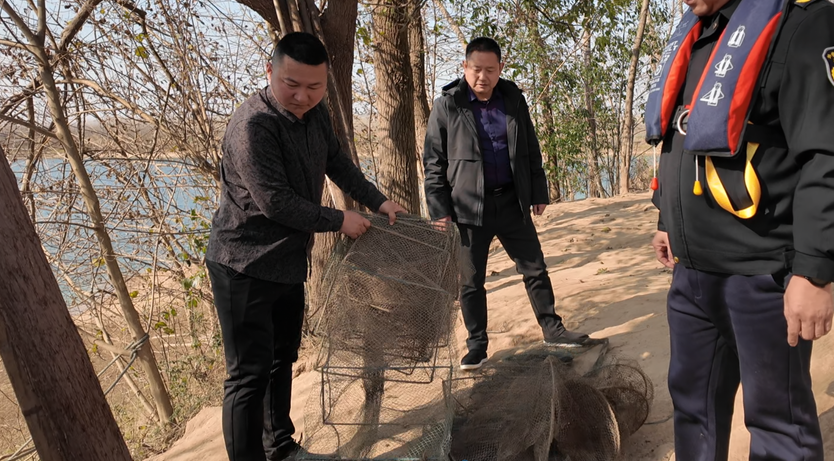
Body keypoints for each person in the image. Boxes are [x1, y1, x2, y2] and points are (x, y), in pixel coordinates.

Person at [645, 0, 834, 460]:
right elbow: (684, 142)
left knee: (777, 419)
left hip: (765, 275)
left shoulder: (806, 28)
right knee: (693, 404)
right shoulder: (699, 35)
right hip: (694, 275)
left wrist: (815, 270)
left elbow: (833, 158)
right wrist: (667, 219)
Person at [205, 32, 406, 461]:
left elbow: (338, 164)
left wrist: (378, 201)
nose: (302, 96)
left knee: (281, 360)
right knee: (247, 376)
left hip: (288, 263)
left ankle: (279, 446)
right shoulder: (253, 126)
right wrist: (339, 220)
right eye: (291, 84)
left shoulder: (316, 115)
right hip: (244, 264)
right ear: (270, 72)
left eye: (314, 87)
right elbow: (275, 202)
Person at [423, 36, 592, 371]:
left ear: (500, 68)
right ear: (464, 68)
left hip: (511, 203)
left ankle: (553, 330)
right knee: (471, 282)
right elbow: (434, 162)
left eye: (489, 69)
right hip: (469, 209)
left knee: (535, 268)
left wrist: (538, 191)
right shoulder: (448, 105)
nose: (482, 76)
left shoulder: (513, 99)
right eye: (475, 69)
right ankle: (477, 346)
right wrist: (439, 209)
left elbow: (529, 146)